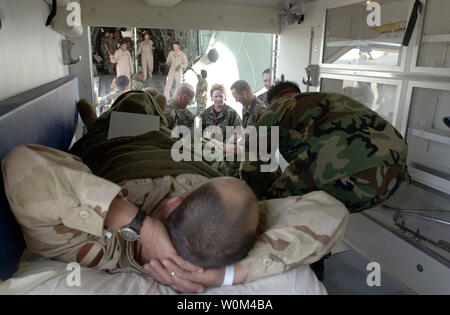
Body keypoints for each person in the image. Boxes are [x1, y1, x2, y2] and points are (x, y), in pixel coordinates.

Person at [239, 81, 409, 213]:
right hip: (395, 172)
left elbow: (252, 166)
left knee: (278, 206)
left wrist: (257, 200)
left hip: (339, 166)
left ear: (273, 101)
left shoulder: (275, 109)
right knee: (321, 212)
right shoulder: (328, 100)